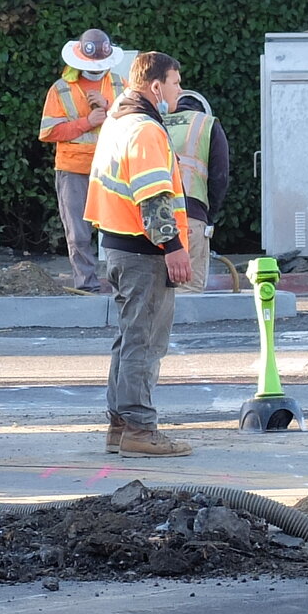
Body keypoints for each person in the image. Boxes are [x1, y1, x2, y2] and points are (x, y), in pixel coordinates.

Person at [84, 50, 196, 456]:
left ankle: (120, 426)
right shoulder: (146, 129)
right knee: (145, 342)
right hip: (143, 251)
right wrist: (173, 248)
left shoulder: (117, 121)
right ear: (155, 86)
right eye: (175, 82)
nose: (179, 90)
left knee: (129, 338)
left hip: (117, 247)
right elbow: (152, 197)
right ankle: (138, 429)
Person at [40, 29, 120, 292]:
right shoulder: (61, 89)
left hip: (112, 168)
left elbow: (137, 121)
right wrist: (88, 122)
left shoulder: (120, 85)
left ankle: (120, 283)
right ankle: (86, 285)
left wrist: (108, 108)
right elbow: (49, 132)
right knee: (78, 234)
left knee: (118, 230)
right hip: (74, 170)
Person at [159, 87, 232, 292]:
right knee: (187, 292)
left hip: (151, 217)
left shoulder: (154, 122)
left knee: (155, 294)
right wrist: (208, 217)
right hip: (190, 215)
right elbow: (220, 178)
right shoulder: (206, 124)